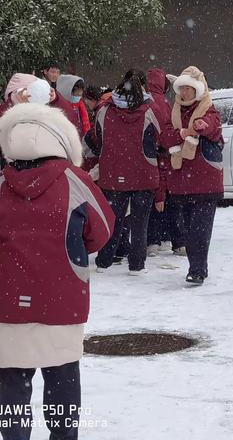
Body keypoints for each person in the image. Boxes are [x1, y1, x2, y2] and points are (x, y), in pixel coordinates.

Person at [0, 103, 114, 440]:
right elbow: (104, 227)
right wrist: (73, 251)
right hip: (63, 300)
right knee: (63, 382)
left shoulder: (2, 186)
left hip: (7, 303)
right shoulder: (74, 180)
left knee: (11, 386)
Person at [91, 69, 179, 275]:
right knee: (140, 224)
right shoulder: (150, 109)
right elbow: (163, 139)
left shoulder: (105, 110)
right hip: (143, 175)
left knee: (113, 220)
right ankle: (137, 265)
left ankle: (104, 261)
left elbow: (97, 138)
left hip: (112, 175)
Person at [165, 66, 223, 285]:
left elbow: (214, 127)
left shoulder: (209, 109)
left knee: (199, 229)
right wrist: (180, 133)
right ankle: (198, 267)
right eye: (182, 88)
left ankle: (197, 270)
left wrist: (202, 126)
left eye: (188, 88)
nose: (184, 93)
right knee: (190, 229)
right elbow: (164, 136)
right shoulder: (174, 111)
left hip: (206, 180)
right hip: (182, 179)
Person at [146, 68, 186, 257]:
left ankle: (153, 240)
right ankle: (175, 240)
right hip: (167, 154)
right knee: (171, 200)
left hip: (150, 155)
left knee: (155, 198)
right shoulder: (166, 103)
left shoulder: (146, 102)